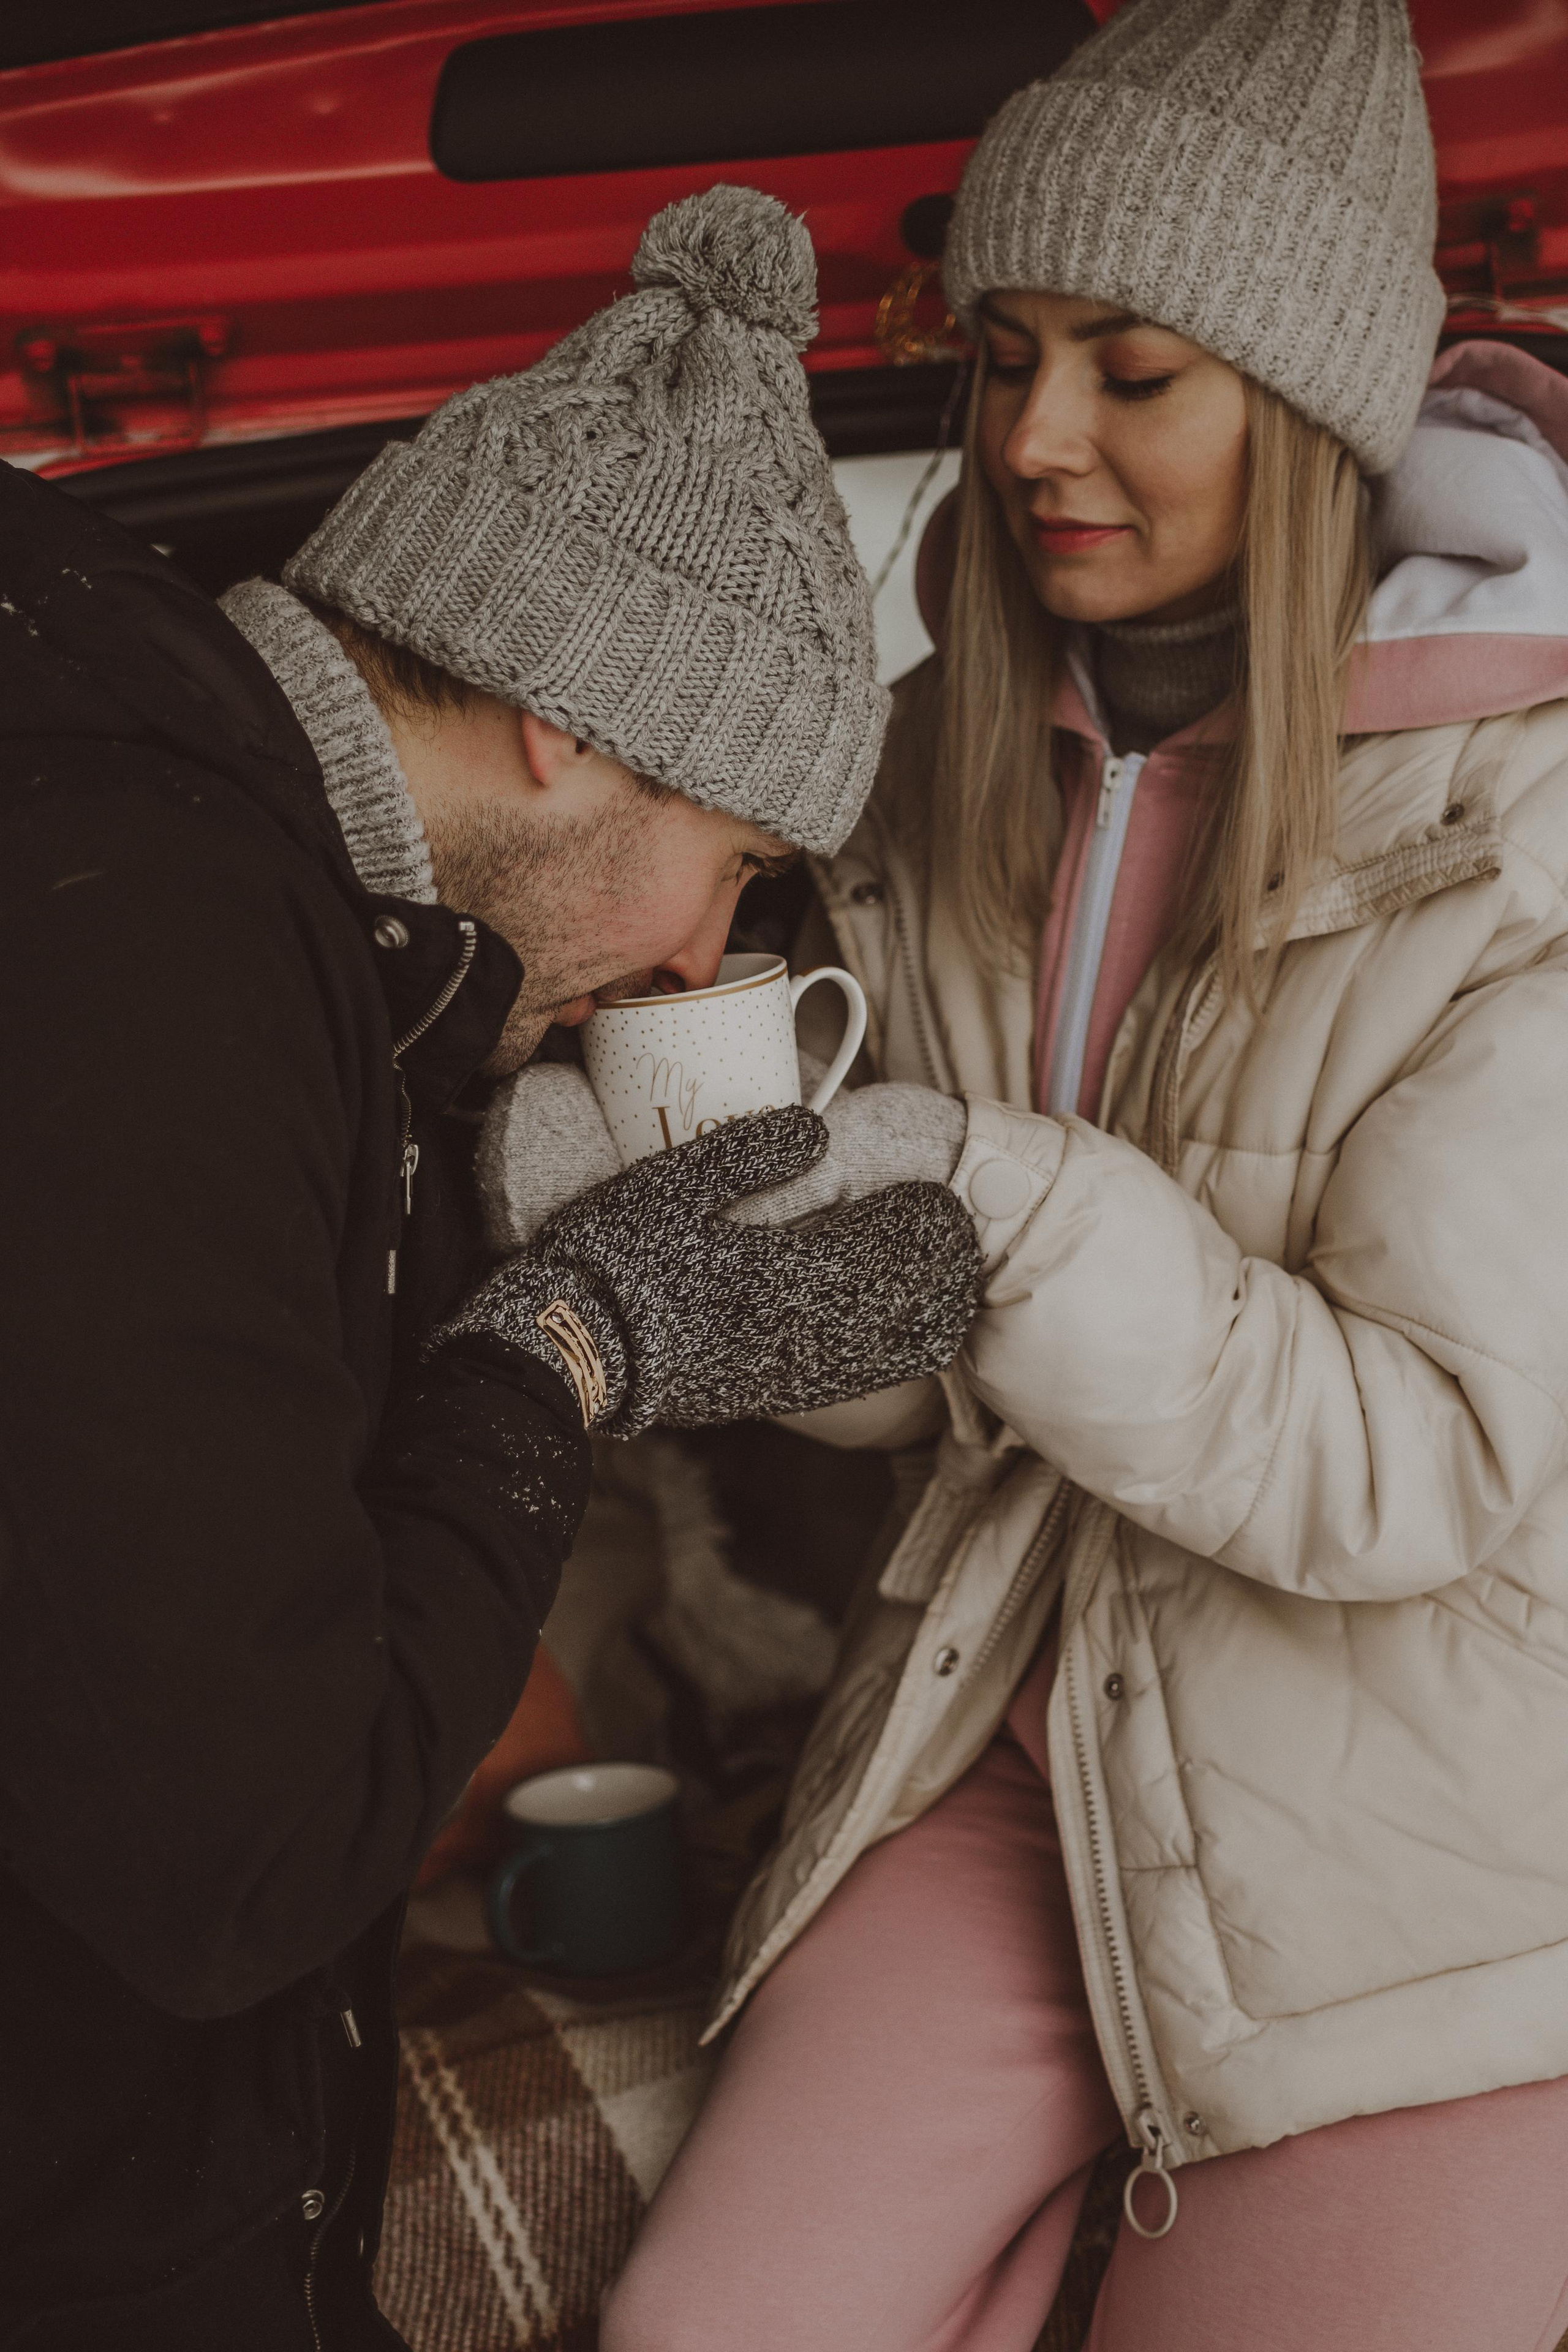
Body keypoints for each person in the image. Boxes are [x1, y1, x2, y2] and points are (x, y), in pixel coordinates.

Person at [498, 7, 1568, 2347]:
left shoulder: (1531, 828)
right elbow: (947, 1402)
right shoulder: (929, 766)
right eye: (999, 356)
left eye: (1129, 372)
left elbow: (1427, 1464)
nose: (1026, 441)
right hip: (1013, 1727)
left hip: (1444, 1843)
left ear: (1302, 408)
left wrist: (1003, 1199)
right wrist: (730, 1266)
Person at [0, 187, 981, 2351]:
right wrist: (563, 1352)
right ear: (570, 724)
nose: (710, 962)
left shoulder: (193, 848)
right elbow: (251, 1856)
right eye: (731, 867)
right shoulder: (150, 950)